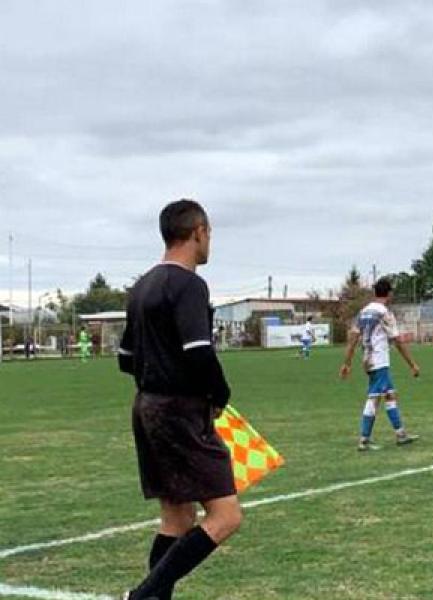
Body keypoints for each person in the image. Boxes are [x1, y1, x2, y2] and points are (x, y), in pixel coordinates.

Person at [119, 199, 241, 600]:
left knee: (177, 518)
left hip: (146, 407)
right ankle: (142, 596)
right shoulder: (189, 284)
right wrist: (219, 394)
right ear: (198, 232)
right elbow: (198, 351)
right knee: (225, 516)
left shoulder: (142, 287)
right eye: (209, 234)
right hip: (180, 412)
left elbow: (125, 358)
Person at [340, 278, 421, 451]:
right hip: (379, 360)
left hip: (368, 360)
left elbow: (353, 338)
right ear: (389, 293)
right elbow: (397, 341)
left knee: (389, 395)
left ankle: (400, 434)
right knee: (374, 398)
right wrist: (412, 364)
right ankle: (364, 440)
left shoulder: (363, 312)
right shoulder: (384, 313)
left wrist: (347, 363)